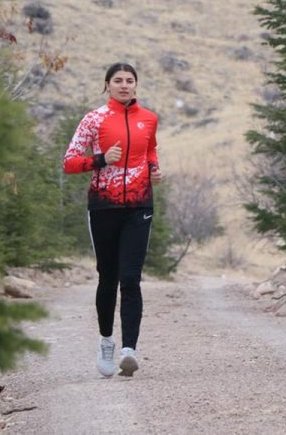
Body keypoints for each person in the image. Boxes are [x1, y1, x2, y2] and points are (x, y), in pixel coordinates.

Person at [63, 62, 162, 378]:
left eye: (129, 80)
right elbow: (69, 163)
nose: (124, 85)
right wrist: (101, 160)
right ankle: (107, 340)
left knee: (131, 278)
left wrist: (155, 171)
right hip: (103, 207)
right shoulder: (94, 120)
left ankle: (128, 351)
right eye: (117, 80)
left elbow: (150, 154)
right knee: (108, 277)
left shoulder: (149, 119)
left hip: (139, 206)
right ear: (107, 85)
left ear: (136, 85)